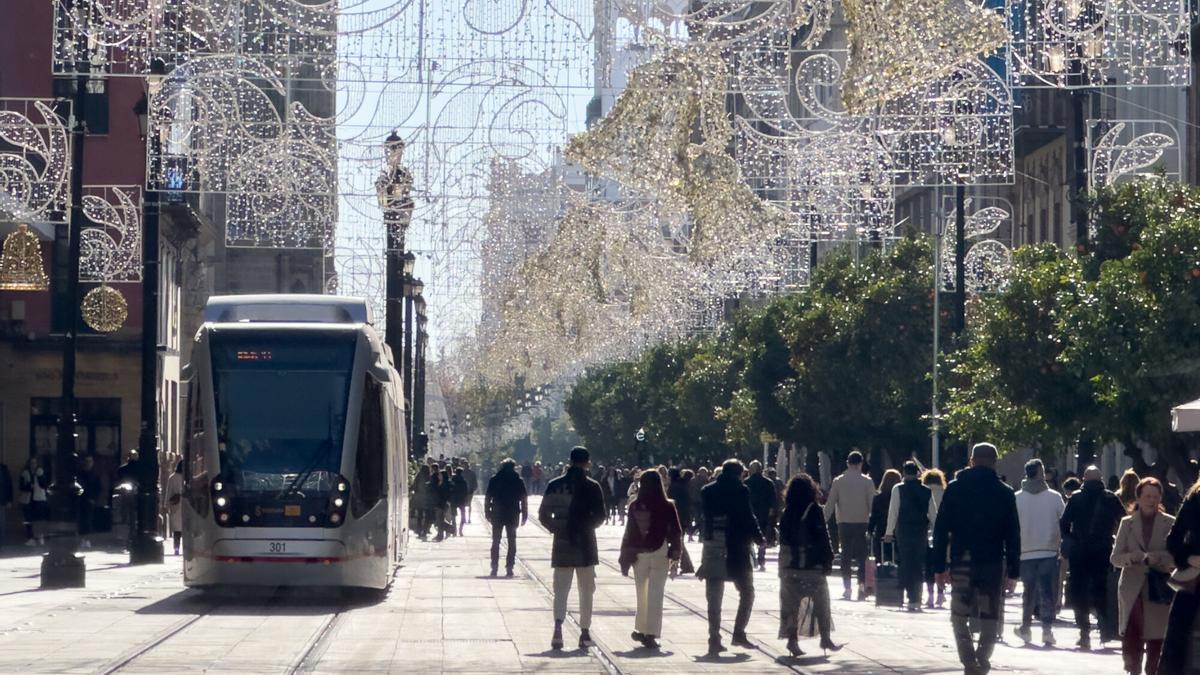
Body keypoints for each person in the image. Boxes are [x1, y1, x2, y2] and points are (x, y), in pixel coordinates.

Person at [932, 442, 1021, 675]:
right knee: (991, 613)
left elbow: (941, 530)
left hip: (962, 560)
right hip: (992, 562)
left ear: (971, 461)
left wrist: (940, 566)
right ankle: (983, 655)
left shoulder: (954, 489)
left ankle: (968, 658)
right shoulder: (1005, 492)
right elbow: (1013, 534)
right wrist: (1013, 571)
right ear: (994, 462)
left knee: (959, 614)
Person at [539, 447, 606, 651]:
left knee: (560, 588)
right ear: (587, 463)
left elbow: (543, 514)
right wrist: (585, 528)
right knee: (586, 590)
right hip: (586, 544)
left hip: (562, 543)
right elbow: (601, 516)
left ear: (569, 461)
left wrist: (558, 529)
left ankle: (558, 629)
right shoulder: (593, 486)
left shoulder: (555, 484)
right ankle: (584, 633)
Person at [698, 458, 764, 656]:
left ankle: (714, 638)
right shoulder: (742, 490)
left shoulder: (706, 491)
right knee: (747, 591)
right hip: (737, 546)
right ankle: (738, 632)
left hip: (712, 545)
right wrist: (759, 537)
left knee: (714, 596)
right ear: (738, 473)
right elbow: (748, 516)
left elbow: (704, 516)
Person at [1111, 478, 1175, 675]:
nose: (1151, 500)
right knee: (1132, 636)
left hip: (1159, 589)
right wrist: (1133, 557)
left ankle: (1153, 671)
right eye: (1147, 496)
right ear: (1138, 497)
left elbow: (1175, 556)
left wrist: (1159, 558)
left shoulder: (1169, 523)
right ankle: (1133, 670)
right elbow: (1115, 558)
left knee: (1157, 638)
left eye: (1155, 496)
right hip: (1132, 588)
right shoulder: (1127, 523)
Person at [1061, 465, 1126, 649]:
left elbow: (1064, 523)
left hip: (1079, 550)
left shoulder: (1075, 498)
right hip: (1102, 549)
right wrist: (1112, 538)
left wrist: (1071, 538)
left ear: (1083, 479)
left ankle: (1084, 633)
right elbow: (1123, 520)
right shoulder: (1110, 498)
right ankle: (1104, 628)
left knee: (1079, 590)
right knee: (1100, 587)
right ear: (1101, 479)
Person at [777, 472, 842, 657]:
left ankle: (792, 640)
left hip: (790, 566)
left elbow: (783, 538)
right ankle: (825, 638)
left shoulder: (787, 511)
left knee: (791, 605)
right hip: (811, 565)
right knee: (822, 602)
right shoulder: (815, 509)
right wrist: (828, 560)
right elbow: (823, 537)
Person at [618, 470, 683, 650]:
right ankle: (651, 633)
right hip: (660, 550)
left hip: (640, 553)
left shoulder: (635, 506)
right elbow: (676, 532)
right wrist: (676, 554)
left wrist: (624, 557)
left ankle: (641, 628)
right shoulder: (667, 506)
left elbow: (629, 532)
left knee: (642, 592)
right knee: (656, 593)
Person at [1013, 458, 1066, 647]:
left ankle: (1025, 628)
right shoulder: (1054, 497)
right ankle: (1046, 630)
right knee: (1047, 592)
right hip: (1049, 550)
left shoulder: (1017, 498)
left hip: (1025, 551)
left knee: (1029, 592)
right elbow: (1065, 520)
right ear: (1040, 472)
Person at [885, 460, 938, 611]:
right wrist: (938, 531)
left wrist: (889, 532)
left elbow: (893, 512)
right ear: (917, 473)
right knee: (918, 565)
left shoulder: (898, 489)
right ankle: (916, 597)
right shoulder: (926, 491)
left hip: (903, 531)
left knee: (906, 563)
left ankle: (907, 595)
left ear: (904, 472)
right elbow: (933, 515)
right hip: (920, 532)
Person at [1160, 476, 1200, 675]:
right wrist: (1190, 558)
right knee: (1180, 645)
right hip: (1195, 584)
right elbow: (1173, 541)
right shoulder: (1195, 498)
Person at [823, 450, 875, 601]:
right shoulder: (867, 481)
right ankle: (861, 585)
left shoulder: (839, 481)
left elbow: (830, 503)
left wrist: (823, 519)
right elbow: (872, 504)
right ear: (861, 464)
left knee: (845, 554)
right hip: (862, 522)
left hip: (844, 522)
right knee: (862, 556)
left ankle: (847, 587)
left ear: (847, 463)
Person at [484, 458, 529, 578]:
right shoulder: (518, 480)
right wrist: (524, 514)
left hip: (498, 512)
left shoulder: (495, 479)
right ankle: (510, 567)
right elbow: (524, 498)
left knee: (496, 540)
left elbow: (488, 497)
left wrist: (487, 511)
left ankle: (494, 567)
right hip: (512, 512)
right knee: (512, 540)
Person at [746, 460, 779, 572]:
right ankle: (761, 559)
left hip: (750, 513)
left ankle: (752, 558)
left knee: (748, 537)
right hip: (764, 514)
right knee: (763, 537)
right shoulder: (768, 482)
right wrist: (772, 513)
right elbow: (773, 500)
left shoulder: (746, 482)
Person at [922, 468, 948, 608]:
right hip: (942, 533)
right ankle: (941, 594)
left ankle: (930, 596)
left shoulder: (924, 492)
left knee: (928, 566)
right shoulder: (945, 492)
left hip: (927, 533)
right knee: (941, 565)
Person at [870, 469, 902, 569]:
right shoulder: (901, 497)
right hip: (897, 531)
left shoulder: (878, 498)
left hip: (881, 531)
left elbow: (874, 516)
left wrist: (870, 529)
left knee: (880, 559)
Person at [19, 456, 48, 545]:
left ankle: (40, 536)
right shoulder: (24, 473)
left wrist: (39, 476)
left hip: (39, 499)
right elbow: (21, 487)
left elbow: (44, 485)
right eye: (31, 463)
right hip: (27, 499)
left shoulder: (40, 473)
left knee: (39, 519)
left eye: (35, 463)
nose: (33, 465)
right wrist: (28, 486)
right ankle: (30, 537)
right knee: (28, 519)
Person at [77, 455, 100, 549]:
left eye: (90, 461)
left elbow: (98, 488)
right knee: (81, 520)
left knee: (88, 520)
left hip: (90, 500)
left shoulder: (95, 475)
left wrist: (94, 498)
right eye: (87, 461)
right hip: (81, 500)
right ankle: (82, 539)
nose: (88, 463)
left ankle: (87, 539)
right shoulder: (80, 474)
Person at [165, 460, 185, 555]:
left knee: (177, 530)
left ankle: (176, 548)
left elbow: (169, 492)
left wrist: (166, 505)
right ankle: (185, 548)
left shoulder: (172, 478)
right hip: (185, 503)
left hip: (176, 505)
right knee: (185, 529)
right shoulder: (188, 478)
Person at [688, 466, 709, 540]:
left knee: (699, 519)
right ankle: (698, 535)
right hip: (699, 501)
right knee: (700, 520)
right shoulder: (705, 481)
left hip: (695, 501)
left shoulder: (693, 480)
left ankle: (694, 534)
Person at [451, 467, 471, 537]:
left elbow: (450, 490)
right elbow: (466, 492)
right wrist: (466, 499)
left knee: (453, 516)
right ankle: (460, 530)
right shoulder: (464, 481)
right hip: (461, 500)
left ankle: (454, 530)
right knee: (463, 516)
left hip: (454, 500)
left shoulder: (452, 480)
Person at [0, 461, 12, 548]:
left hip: (2, 500)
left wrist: (9, 500)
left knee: (1, 523)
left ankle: (1, 544)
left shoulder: (3, 469)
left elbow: (9, 485)